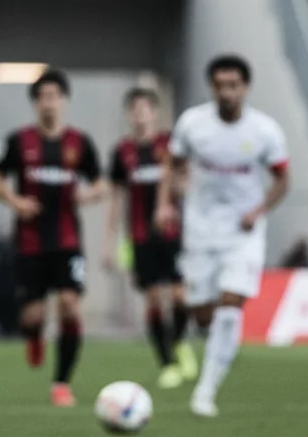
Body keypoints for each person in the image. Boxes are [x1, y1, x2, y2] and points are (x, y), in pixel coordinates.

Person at [156, 55, 290, 418]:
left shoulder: (264, 130)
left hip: (243, 231)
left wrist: (257, 210)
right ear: (212, 88)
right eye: (220, 85)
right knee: (201, 313)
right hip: (200, 229)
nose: (227, 92)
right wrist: (165, 203)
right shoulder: (192, 124)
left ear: (245, 87)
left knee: (232, 303)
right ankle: (215, 346)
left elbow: (282, 179)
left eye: (233, 85)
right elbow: (173, 164)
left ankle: (206, 390)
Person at [0, 69, 106, 407]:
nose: (48, 103)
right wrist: (15, 201)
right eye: (42, 97)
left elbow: (101, 182)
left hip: (68, 241)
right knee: (32, 317)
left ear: (64, 101)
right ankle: (34, 337)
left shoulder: (79, 143)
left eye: (54, 96)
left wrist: (89, 194)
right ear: (35, 102)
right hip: (29, 243)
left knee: (69, 307)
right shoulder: (17, 141)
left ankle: (61, 383)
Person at [102, 88, 195, 390]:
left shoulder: (169, 145)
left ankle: (179, 342)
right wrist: (109, 242)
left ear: (155, 113)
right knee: (153, 298)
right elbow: (116, 199)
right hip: (139, 236)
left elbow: (186, 179)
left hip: (171, 233)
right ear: (129, 115)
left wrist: (173, 196)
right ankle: (167, 363)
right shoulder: (122, 153)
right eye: (134, 109)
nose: (140, 114)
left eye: (145, 108)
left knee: (181, 297)